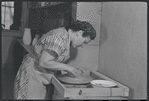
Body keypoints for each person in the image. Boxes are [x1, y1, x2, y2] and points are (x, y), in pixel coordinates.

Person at [13, 20, 96, 99]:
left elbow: (51, 61)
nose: (83, 45)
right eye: (84, 41)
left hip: (39, 75)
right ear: (79, 33)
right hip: (32, 74)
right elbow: (44, 62)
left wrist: (69, 70)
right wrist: (68, 68)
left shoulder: (65, 36)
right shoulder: (59, 37)